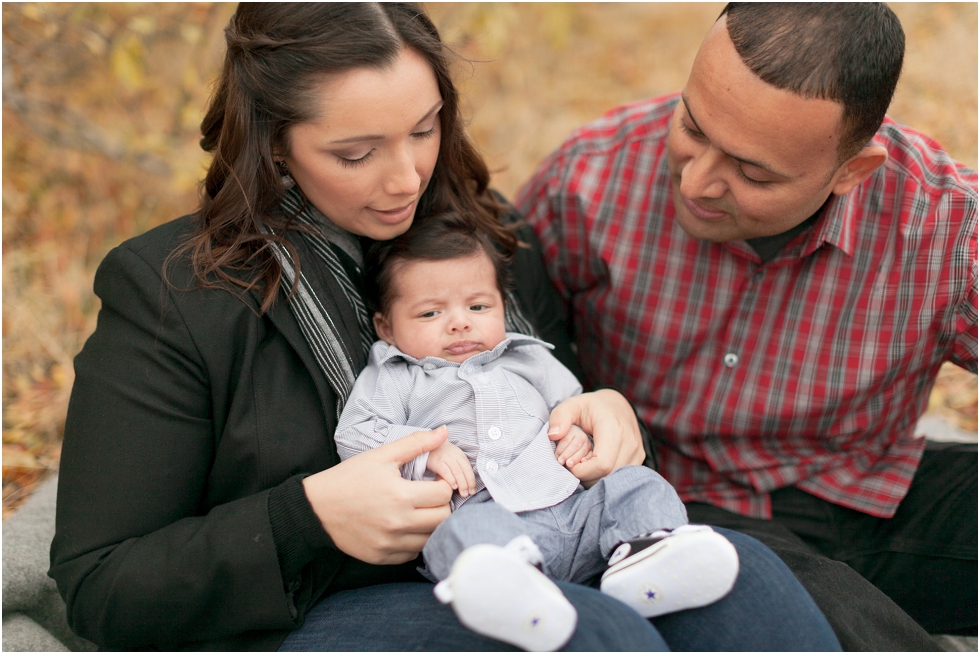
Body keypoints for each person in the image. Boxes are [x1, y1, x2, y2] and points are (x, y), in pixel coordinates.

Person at [49, 3, 840, 651]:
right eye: (356, 153)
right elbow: (103, 583)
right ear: (276, 147)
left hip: (551, 539)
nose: (407, 179)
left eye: (424, 130)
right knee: (597, 636)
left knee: (744, 581)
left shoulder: (485, 236)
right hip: (335, 605)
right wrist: (309, 517)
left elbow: (537, 405)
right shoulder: (174, 294)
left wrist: (605, 412)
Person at [516, 3, 978, 651]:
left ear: (851, 171)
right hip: (677, 515)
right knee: (843, 628)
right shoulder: (587, 182)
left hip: (872, 494)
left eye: (753, 172)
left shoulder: (943, 224)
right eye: (692, 127)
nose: (699, 181)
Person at [334, 211, 740, 650]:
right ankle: (509, 590)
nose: (460, 322)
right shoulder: (397, 376)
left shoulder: (528, 359)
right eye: (431, 312)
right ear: (386, 328)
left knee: (636, 483)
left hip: (575, 509)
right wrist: (421, 450)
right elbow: (356, 432)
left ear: (502, 307)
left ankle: (646, 554)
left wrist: (579, 435)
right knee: (458, 536)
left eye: (478, 306)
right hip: (484, 514)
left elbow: (573, 408)